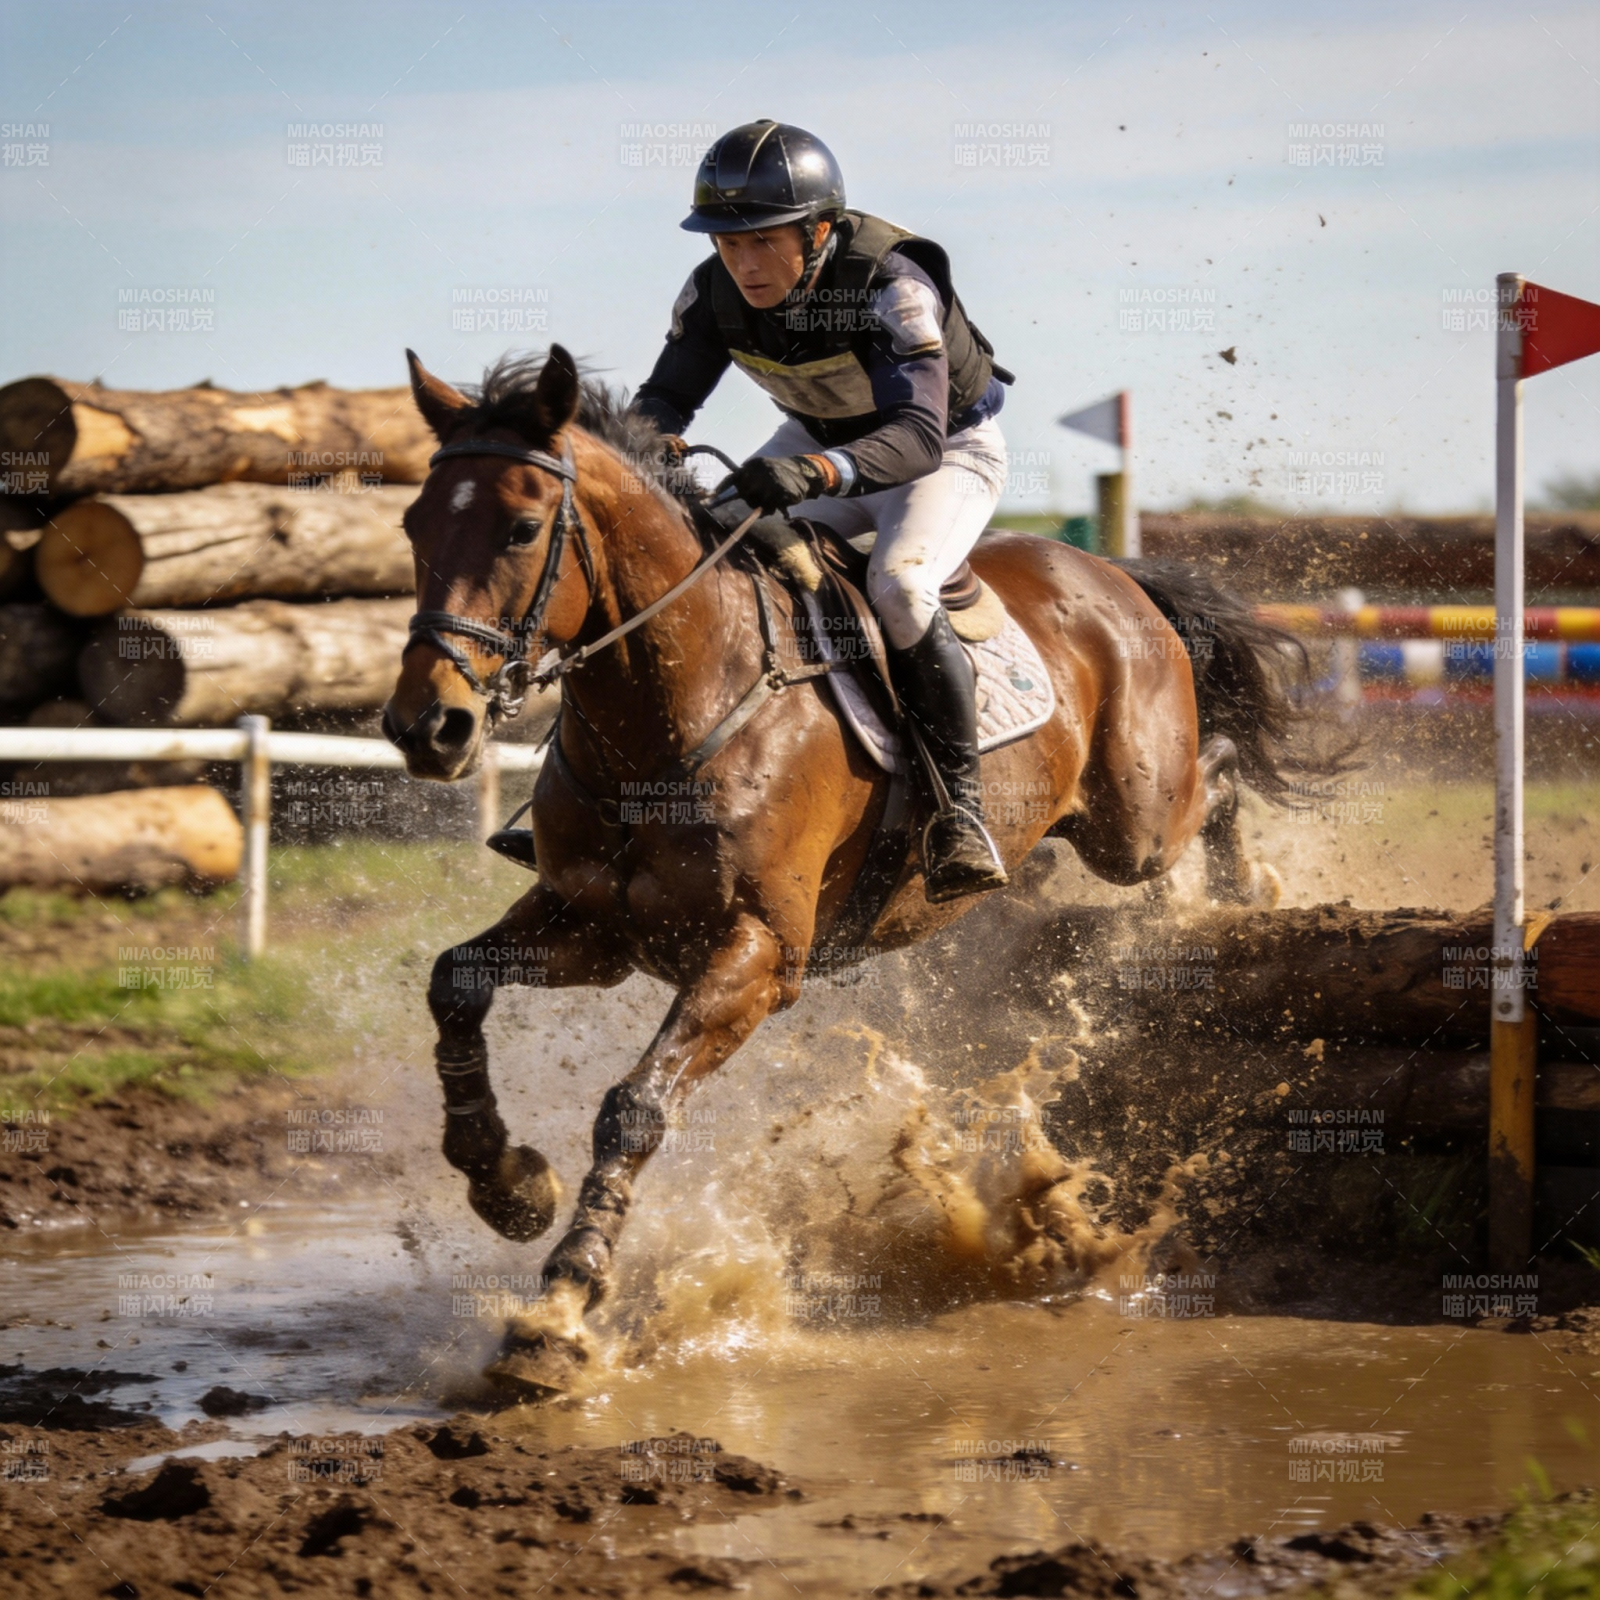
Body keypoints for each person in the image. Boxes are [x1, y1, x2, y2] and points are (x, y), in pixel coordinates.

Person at [631, 119, 1014, 903]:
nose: (743, 263)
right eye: (727, 244)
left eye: (763, 241)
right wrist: (652, 446)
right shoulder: (710, 293)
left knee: (901, 587)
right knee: (699, 555)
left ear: (822, 229)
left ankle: (959, 815)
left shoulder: (895, 286)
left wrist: (814, 472)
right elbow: (664, 399)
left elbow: (914, 437)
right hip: (820, 439)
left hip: (942, 452)